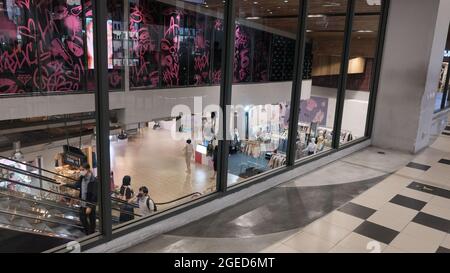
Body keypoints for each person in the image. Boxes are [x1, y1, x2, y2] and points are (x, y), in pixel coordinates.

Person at [74, 163, 98, 235]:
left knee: (92, 219)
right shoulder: (81, 178)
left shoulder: (94, 180)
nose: (81, 171)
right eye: (80, 170)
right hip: (82, 202)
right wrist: (64, 184)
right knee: (82, 218)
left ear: (87, 170)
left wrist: (89, 206)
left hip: (90, 203)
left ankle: (92, 233)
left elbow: (95, 195)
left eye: (82, 170)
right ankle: (88, 232)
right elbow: (76, 185)